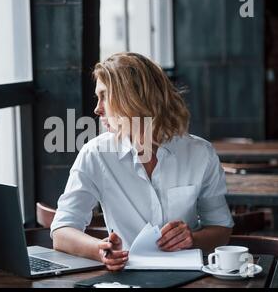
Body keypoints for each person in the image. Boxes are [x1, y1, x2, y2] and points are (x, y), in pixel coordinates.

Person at [51, 52, 233, 271]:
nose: (97, 108)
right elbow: (61, 231)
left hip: (189, 277)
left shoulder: (200, 153)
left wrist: (192, 239)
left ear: (133, 98)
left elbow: (221, 229)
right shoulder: (95, 155)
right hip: (125, 280)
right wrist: (98, 249)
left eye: (104, 96)